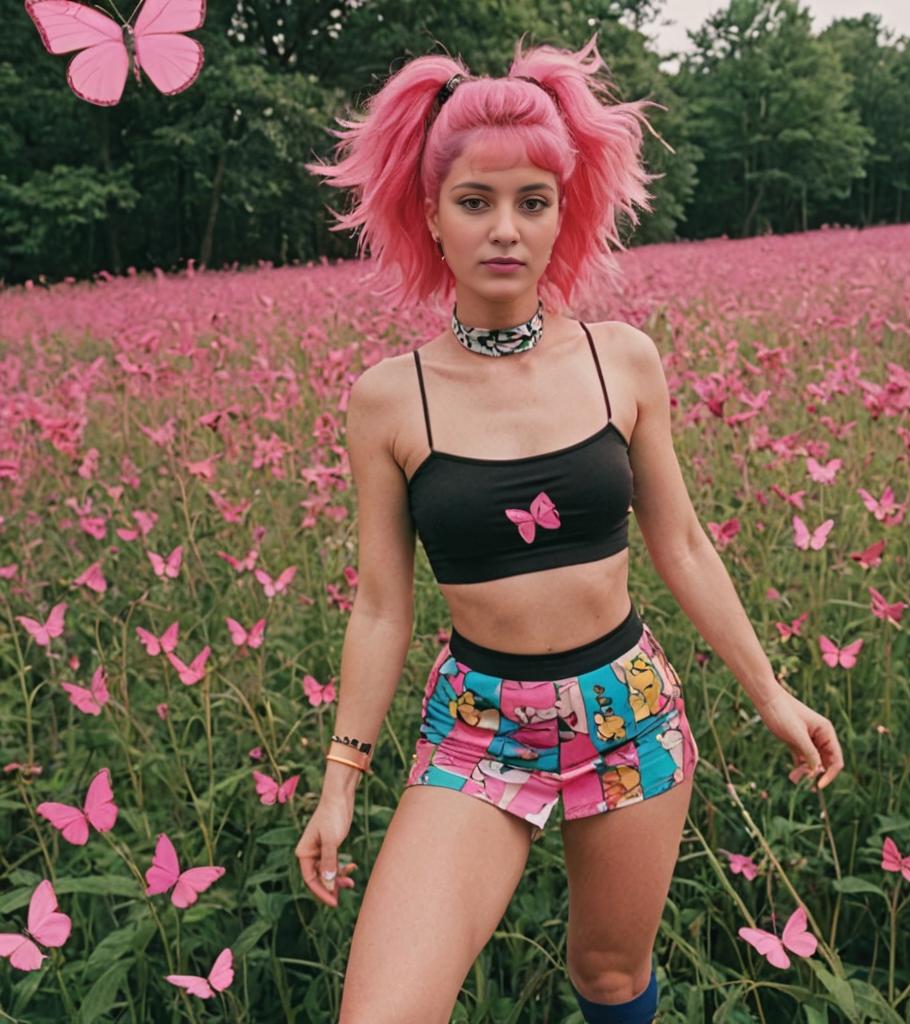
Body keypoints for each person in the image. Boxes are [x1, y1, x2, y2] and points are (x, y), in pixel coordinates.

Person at [295, 33, 844, 1024]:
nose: (504, 228)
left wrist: (771, 692)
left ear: (563, 211)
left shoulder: (620, 363)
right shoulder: (387, 400)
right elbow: (382, 608)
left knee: (608, 977)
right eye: (474, 201)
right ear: (430, 214)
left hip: (626, 710)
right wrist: (340, 781)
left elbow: (680, 544)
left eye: (531, 201)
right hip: (477, 725)